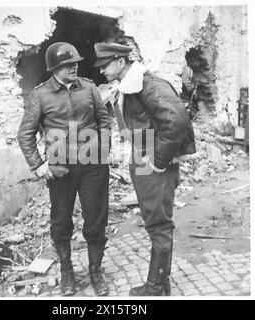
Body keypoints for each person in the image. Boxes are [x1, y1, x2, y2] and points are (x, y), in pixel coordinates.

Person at [94, 42, 196, 296]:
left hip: (154, 165)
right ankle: (161, 282)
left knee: (159, 225)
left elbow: (177, 120)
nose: (102, 71)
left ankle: (156, 286)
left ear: (120, 62)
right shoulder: (131, 84)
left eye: (105, 65)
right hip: (144, 159)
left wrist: (158, 161)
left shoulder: (148, 84)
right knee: (155, 222)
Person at [17, 42, 113, 296]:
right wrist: (38, 165)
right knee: (61, 223)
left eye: (76, 63)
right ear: (54, 68)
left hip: (93, 166)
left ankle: (95, 271)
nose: (75, 67)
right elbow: (25, 134)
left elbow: (104, 121)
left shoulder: (89, 88)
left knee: (96, 219)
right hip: (60, 168)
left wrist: (102, 151)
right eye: (68, 64)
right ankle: (67, 271)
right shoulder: (39, 96)